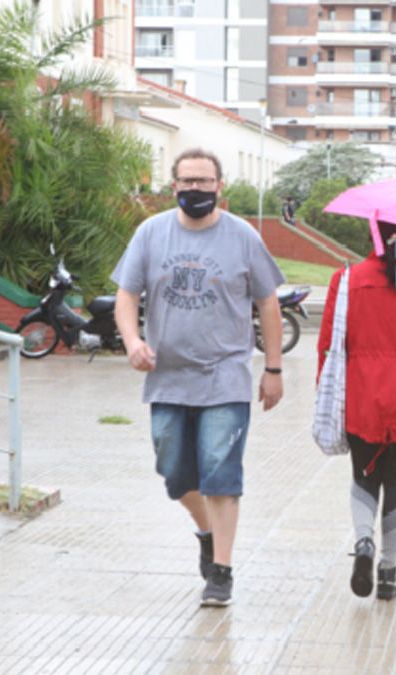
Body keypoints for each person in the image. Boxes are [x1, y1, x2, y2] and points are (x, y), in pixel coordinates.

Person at [113, 148, 286, 608]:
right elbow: (126, 295)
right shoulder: (152, 233)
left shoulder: (242, 237)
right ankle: (207, 534)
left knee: (220, 472)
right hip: (167, 376)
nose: (195, 189)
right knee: (173, 472)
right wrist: (132, 341)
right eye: (187, 181)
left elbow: (268, 302)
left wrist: (273, 368)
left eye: (203, 182)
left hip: (225, 375)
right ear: (174, 186)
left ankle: (222, 572)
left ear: (218, 186)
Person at [317, 221, 396, 601]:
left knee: (364, 475)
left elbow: (328, 342)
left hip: (362, 395)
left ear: (373, 235)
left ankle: (364, 543)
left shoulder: (346, 279)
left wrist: (324, 393)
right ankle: (388, 572)